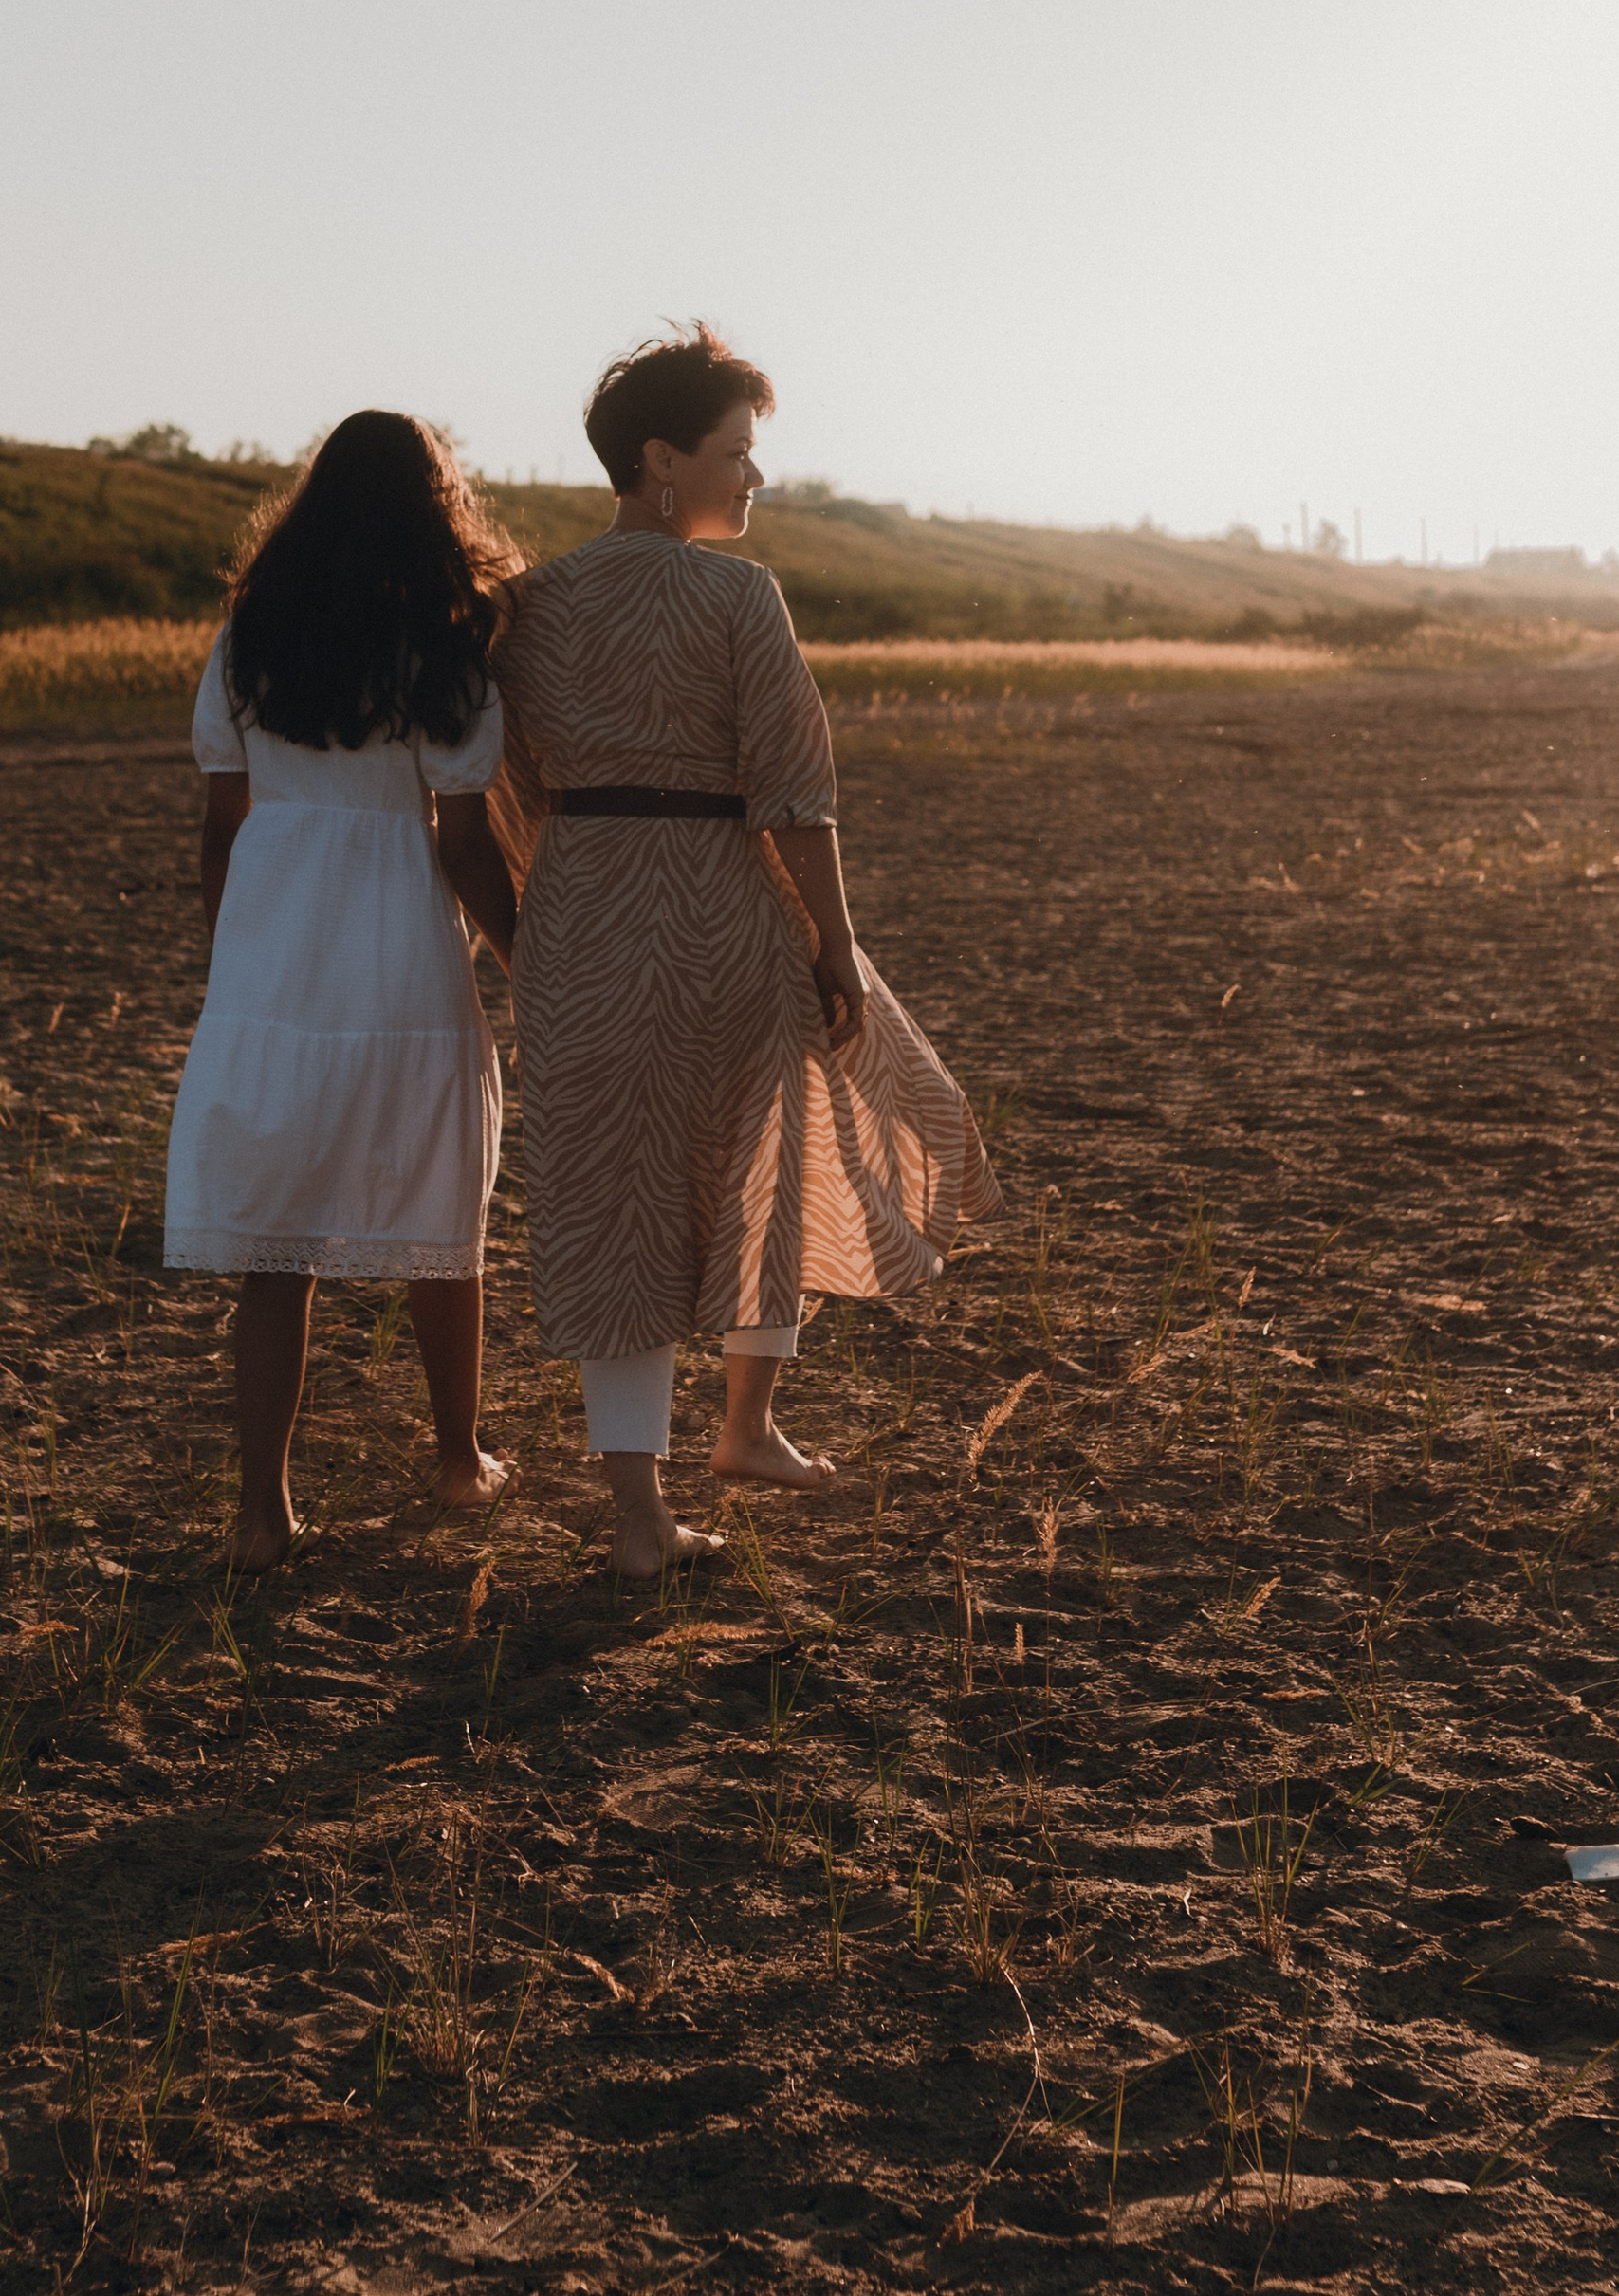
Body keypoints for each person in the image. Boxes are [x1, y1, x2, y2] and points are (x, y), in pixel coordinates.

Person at [492, 325, 1003, 1579]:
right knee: (763, 1157)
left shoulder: (531, 603)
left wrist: (551, 909)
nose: (756, 477)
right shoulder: (738, 596)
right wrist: (836, 942)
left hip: (582, 915)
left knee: (611, 1197)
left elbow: (510, 780)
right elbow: (796, 796)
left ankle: (639, 1510)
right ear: (662, 458)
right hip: (722, 902)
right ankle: (746, 1425)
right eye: (740, 452)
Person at [164, 409, 522, 1573]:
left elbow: (222, 824)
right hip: (395, 942)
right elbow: (465, 844)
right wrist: (528, 955)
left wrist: (238, 961)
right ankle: (459, 1459)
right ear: (435, 509)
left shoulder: (250, 633)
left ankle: (262, 1512)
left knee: (276, 1249)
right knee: (439, 1216)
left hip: (276, 944)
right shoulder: (438, 641)